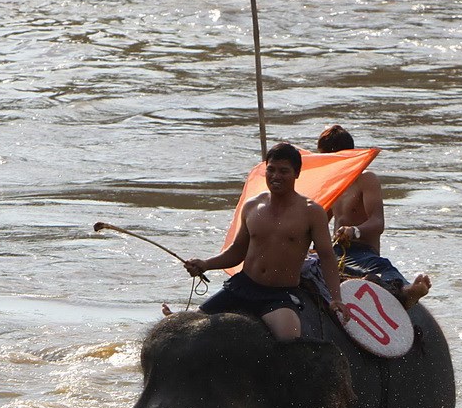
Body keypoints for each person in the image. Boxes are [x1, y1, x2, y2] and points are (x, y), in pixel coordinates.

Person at [183, 142, 349, 340]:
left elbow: (327, 257)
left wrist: (336, 298)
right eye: (271, 169)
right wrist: (206, 264)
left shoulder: (312, 212)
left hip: (278, 294)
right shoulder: (252, 206)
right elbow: (237, 251)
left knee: (290, 340)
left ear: (296, 174)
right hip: (242, 287)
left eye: (283, 171)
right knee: (189, 330)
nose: (276, 176)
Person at [316, 124, 431, 308]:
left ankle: (406, 291)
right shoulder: (332, 184)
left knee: (382, 268)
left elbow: (378, 223)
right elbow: (319, 220)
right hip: (335, 251)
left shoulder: (366, 180)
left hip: (362, 252)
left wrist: (354, 231)